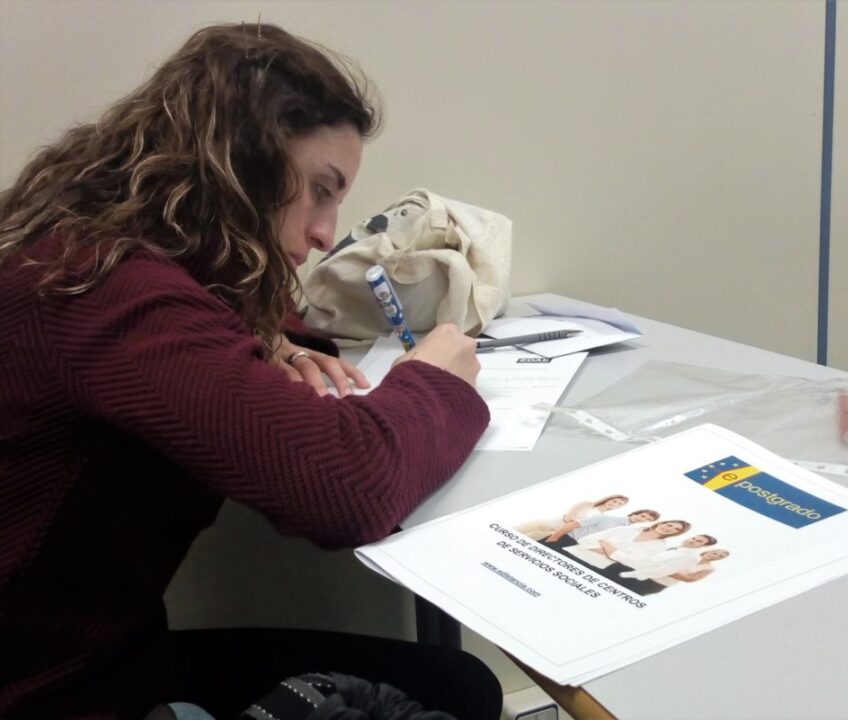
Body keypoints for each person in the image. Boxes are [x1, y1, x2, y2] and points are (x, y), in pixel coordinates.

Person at [0, 23, 500, 720]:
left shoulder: (92, 252)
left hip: (104, 659)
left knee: (460, 683)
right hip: (55, 695)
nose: (328, 232)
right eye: (320, 191)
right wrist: (436, 380)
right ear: (242, 162)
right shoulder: (102, 289)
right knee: (451, 693)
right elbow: (346, 486)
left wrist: (273, 338)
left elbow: (205, 326)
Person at [514, 494, 629, 541]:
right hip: (549, 523)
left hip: (555, 532)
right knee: (516, 531)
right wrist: (575, 523)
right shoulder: (588, 504)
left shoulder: (602, 517)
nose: (615, 504)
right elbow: (569, 517)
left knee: (527, 540)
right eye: (614, 501)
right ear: (609, 499)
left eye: (619, 504)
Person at [543, 507, 660, 548]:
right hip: (562, 539)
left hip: (578, 547)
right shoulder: (607, 518)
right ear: (635, 513)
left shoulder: (627, 532)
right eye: (642, 515)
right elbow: (573, 524)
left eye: (647, 519)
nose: (642, 519)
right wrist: (553, 538)